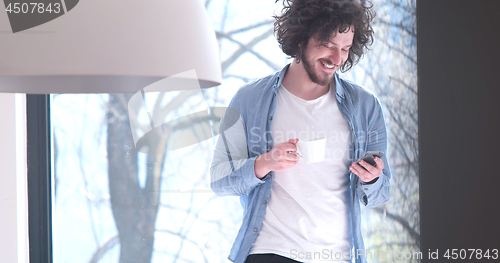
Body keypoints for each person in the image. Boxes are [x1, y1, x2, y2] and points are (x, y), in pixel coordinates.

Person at [210, 0, 391, 262]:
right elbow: (219, 179)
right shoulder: (249, 99)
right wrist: (264, 163)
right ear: (300, 38)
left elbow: (381, 192)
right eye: (328, 45)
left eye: (345, 48)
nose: (337, 59)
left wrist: (372, 179)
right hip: (270, 252)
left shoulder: (365, 106)